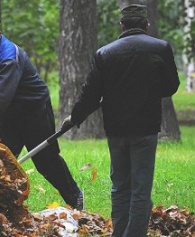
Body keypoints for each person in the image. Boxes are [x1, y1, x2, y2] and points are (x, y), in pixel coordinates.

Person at [62, 4, 180, 237]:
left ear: (122, 25)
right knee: (140, 187)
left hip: (116, 128)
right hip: (146, 127)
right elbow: (171, 86)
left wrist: (75, 118)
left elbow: (91, 93)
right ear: (146, 24)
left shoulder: (105, 53)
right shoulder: (160, 48)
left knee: (120, 187)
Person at [0, 13, 84, 210]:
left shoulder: (9, 57)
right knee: (3, 161)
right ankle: (1, 206)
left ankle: (75, 197)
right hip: (9, 114)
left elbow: (1, 97)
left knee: (45, 161)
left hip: (33, 111)